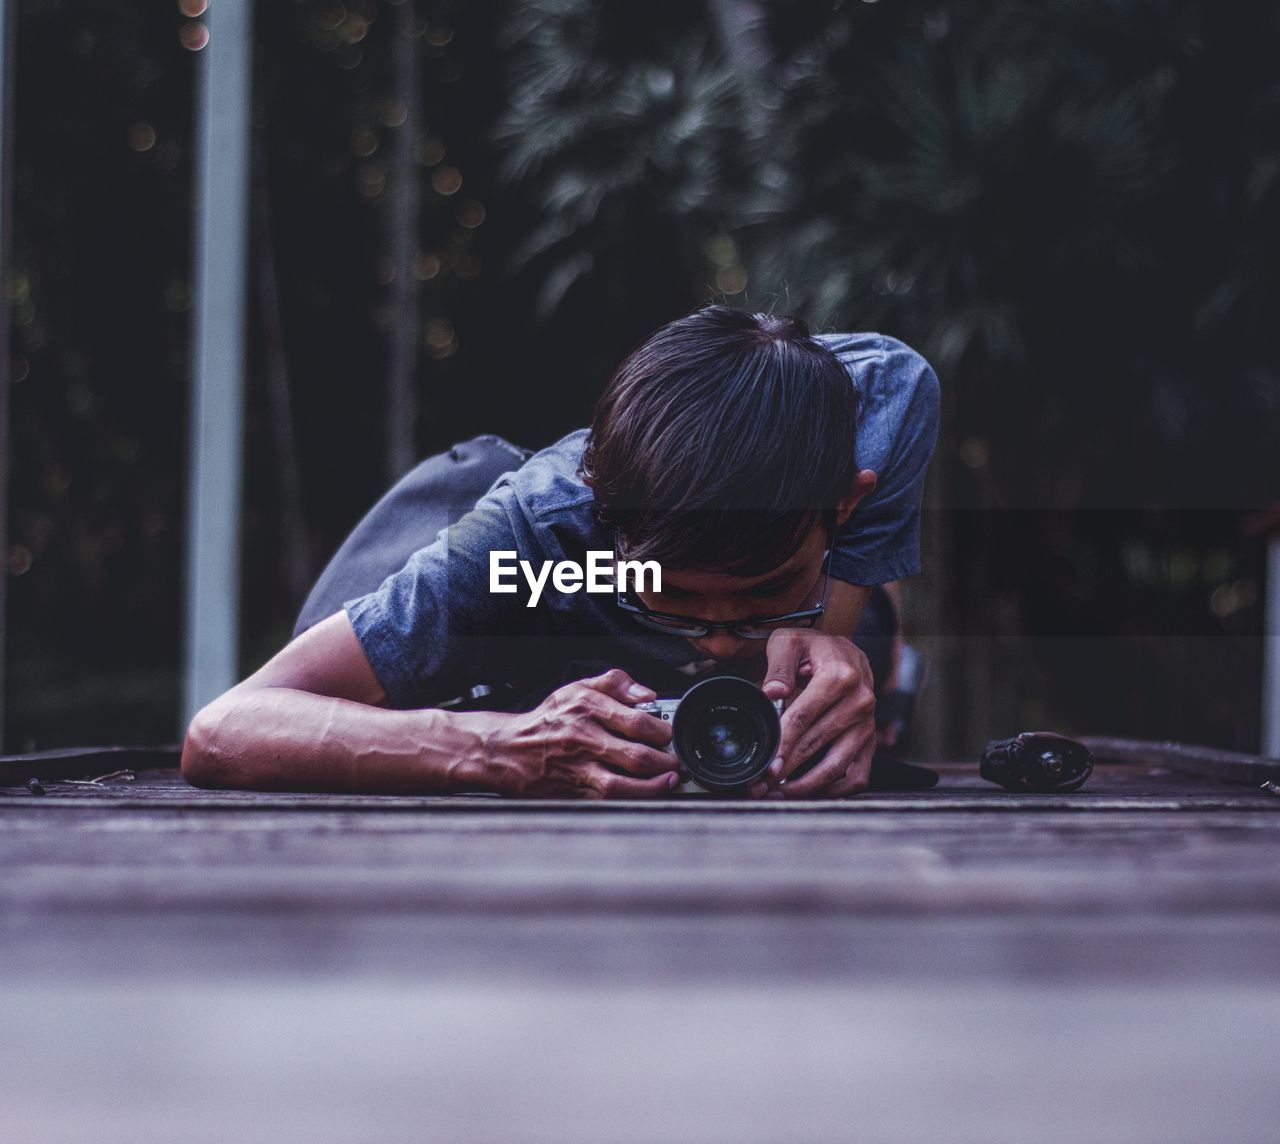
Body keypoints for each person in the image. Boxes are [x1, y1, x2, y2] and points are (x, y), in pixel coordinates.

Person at [181, 306, 940, 799]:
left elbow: (898, 387)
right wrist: (503, 746)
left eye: (761, 594)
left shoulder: (888, 402)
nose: (715, 635)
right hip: (553, 585)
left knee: (855, 644)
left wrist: (832, 650)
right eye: (676, 600)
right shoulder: (534, 534)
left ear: (846, 501)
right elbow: (224, 728)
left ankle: (868, 655)